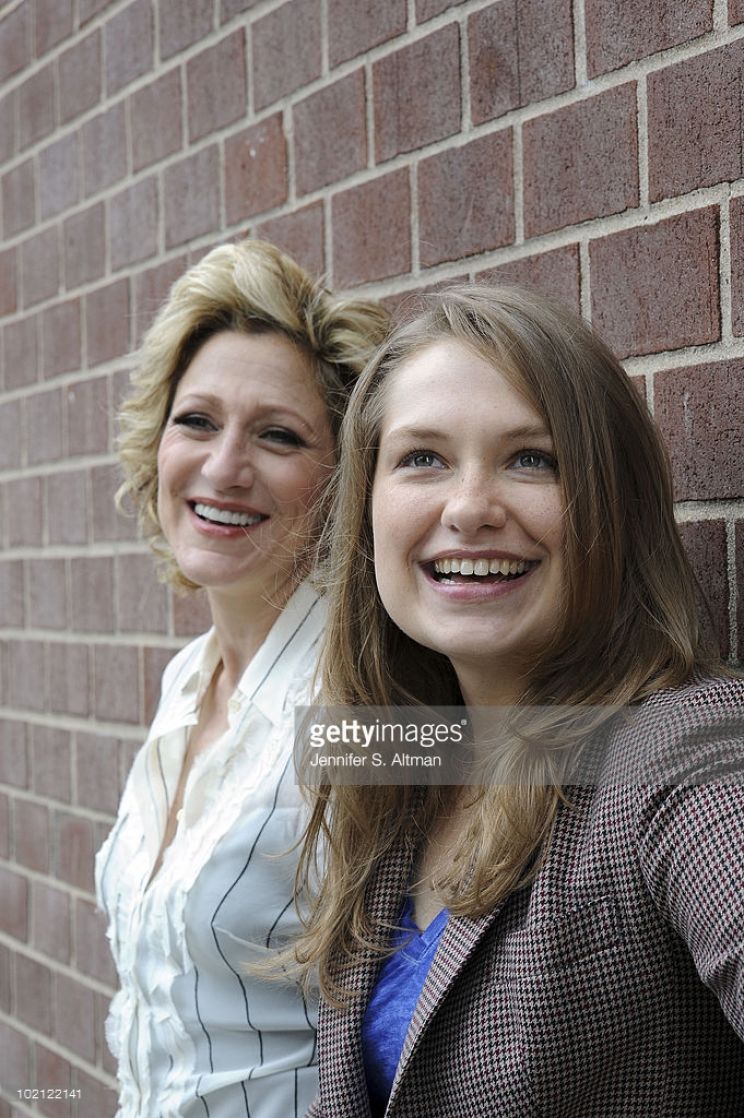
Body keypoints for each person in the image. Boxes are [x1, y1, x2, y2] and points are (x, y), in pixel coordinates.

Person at [293, 285, 744, 1116]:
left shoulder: (686, 747)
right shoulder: (402, 760)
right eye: (421, 458)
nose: (469, 508)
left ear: (614, 501)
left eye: (532, 458)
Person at [94, 238, 388, 1118]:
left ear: (341, 479)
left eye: (278, 435)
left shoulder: (361, 708)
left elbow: (552, 762)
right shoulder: (187, 683)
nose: (223, 467)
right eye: (197, 421)